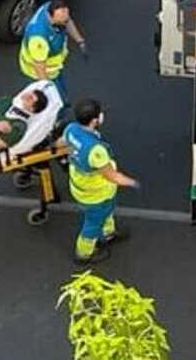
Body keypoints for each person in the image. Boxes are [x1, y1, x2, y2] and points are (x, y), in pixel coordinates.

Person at [52, 99, 138, 265]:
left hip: (80, 185)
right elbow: (111, 176)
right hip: (96, 193)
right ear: (95, 121)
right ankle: (84, 253)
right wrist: (132, 182)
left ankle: (108, 233)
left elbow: (61, 143)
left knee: (107, 210)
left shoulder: (71, 129)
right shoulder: (95, 150)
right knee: (92, 223)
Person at [19, 0, 86, 100]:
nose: (65, 22)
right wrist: (47, 90)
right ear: (51, 16)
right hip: (39, 72)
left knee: (60, 93)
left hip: (53, 69)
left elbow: (68, 22)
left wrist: (79, 40)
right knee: (55, 99)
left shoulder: (51, 7)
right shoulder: (38, 38)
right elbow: (39, 66)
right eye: (63, 21)